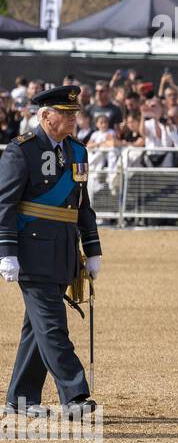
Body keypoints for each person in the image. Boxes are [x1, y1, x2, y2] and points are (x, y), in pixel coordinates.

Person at [0, 87, 101, 418]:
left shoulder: (77, 152)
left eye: (75, 113)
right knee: (53, 325)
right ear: (45, 116)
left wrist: (93, 248)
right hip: (30, 252)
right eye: (66, 113)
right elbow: (5, 204)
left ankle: (21, 401)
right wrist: (6, 251)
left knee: (37, 329)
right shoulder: (21, 151)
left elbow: (82, 206)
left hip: (63, 252)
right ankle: (74, 396)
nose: (73, 118)